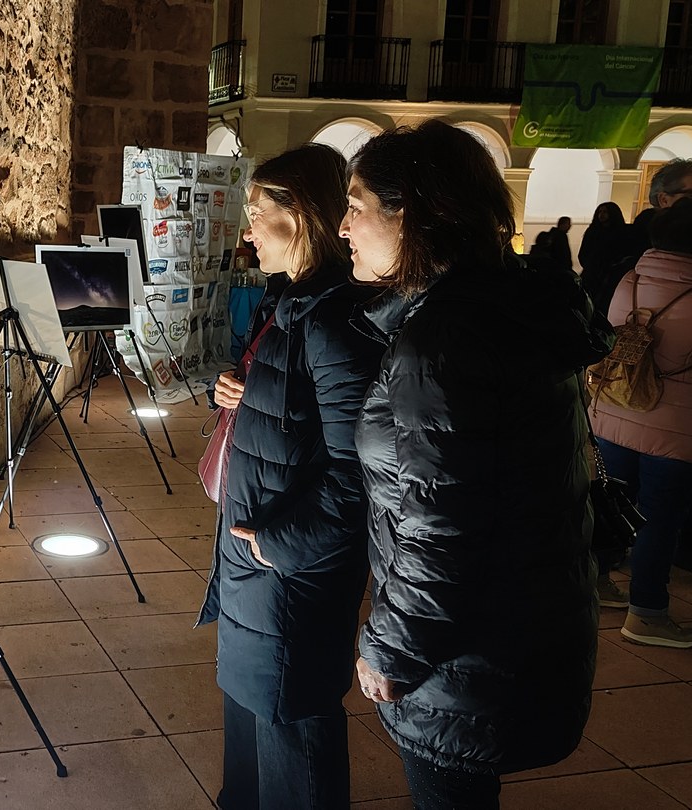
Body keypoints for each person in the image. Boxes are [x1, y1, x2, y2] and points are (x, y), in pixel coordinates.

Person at [343, 120, 602, 808]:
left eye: (358, 206)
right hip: (520, 625)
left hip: (468, 651)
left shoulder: (442, 340)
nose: (344, 227)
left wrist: (392, 648)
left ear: (415, 216)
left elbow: (442, 520)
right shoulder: (502, 307)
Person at [195, 142, 383, 810]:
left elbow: (356, 479)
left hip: (288, 572)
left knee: (291, 726)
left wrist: (274, 546)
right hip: (259, 562)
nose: (247, 231)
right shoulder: (290, 305)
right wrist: (237, 389)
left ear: (299, 216)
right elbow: (291, 412)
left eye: (257, 212)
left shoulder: (332, 322)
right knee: (251, 717)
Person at [589, 199, 692, 647]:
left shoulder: (630, 281)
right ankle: (647, 614)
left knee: (614, 505)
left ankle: (600, 580)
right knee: (659, 521)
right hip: (678, 430)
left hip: (617, 413)